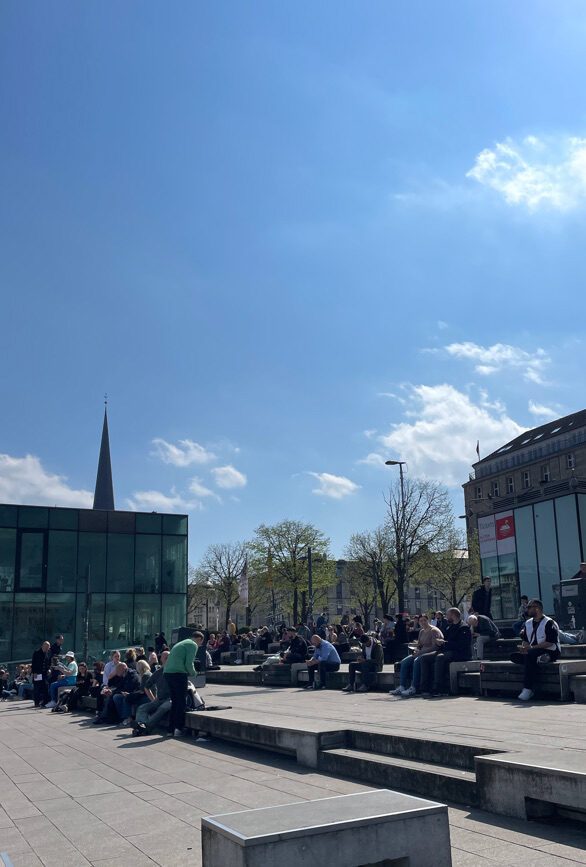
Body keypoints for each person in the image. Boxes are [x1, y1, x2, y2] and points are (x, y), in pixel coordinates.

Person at [511, 599, 560, 701]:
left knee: (530, 656)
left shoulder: (549, 622)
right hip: (533, 650)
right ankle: (539, 659)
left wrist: (531, 648)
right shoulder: (527, 623)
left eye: (529, 607)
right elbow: (525, 640)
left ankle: (527, 688)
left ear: (537, 608)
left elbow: (550, 642)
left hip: (550, 650)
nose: (527, 609)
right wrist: (524, 647)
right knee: (523, 655)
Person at [418, 608, 472, 696]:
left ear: (453, 615)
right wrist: (439, 642)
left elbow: (462, 645)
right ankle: (424, 688)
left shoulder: (463, 627)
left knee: (440, 657)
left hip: (459, 653)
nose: (446, 617)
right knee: (424, 658)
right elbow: (445, 639)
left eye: (447, 615)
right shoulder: (450, 627)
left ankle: (438, 688)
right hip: (447, 650)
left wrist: (444, 643)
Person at [390, 614, 444, 697]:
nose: (423, 622)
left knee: (416, 661)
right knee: (404, 662)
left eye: (424, 620)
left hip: (430, 653)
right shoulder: (421, 631)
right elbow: (419, 645)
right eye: (421, 621)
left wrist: (421, 652)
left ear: (428, 620)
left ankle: (414, 687)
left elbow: (435, 646)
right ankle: (402, 686)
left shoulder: (433, 631)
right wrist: (416, 650)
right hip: (420, 652)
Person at [164, 630, 203, 736]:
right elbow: (189, 663)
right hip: (178, 673)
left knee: (175, 701)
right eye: (201, 643)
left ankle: (170, 730)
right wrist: (194, 673)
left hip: (168, 673)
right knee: (181, 701)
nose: (200, 645)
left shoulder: (182, 643)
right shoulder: (193, 645)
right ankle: (178, 728)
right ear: (199, 639)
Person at [133, 650, 171, 735]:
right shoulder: (158, 672)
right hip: (159, 699)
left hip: (171, 699)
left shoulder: (175, 671)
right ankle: (142, 725)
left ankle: (145, 727)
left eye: (170, 657)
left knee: (162, 708)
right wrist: (153, 700)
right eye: (166, 658)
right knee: (141, 708)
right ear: (161, 660)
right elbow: (147, 687)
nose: (168, 659)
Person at [31, 640, 51, 707]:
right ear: (43, 646)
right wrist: (34, 672)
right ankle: (36, 703)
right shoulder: (36, 652)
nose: (47, 649)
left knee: (45, 687)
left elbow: (48, 663)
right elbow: (33, 663)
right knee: (37, 688)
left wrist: (49, 669)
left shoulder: (47, 653)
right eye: (47, 647)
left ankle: (44, 702)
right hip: (37, 673)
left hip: (44, 673)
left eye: (48, 647)